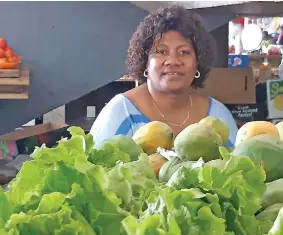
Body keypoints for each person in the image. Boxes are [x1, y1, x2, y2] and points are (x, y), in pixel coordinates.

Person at [90, 6, 238, 147]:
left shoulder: (218, 115)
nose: (173, 61)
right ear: (145, 61)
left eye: (184, 52)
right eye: (161, 51)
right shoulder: (122, 112)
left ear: (198, 62)